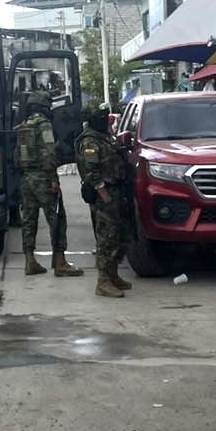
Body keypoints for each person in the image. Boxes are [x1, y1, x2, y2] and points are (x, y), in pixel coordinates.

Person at [15, 91, 83, 277]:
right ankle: (60, 262)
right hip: (43, 178)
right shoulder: (44, 125)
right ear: (44, 107)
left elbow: (16, 156)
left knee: (29, 221)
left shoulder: (23, 126)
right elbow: (49, 152)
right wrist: (53, 178)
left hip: (26, 178)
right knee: (58, 219)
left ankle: (30, 261)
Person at [76, 102, 132, 298]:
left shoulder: (105, 137)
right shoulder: (90, 141)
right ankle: (103, 281)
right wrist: (105, 197)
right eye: (102, 118)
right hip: (104, 196)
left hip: (116, 193)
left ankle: (113, 274)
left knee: (121, 235)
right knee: (106, 239)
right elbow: (92, 174)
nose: (105, 121)